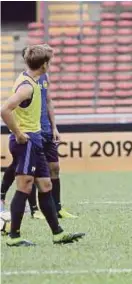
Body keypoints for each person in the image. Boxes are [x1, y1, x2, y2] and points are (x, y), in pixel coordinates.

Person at [0, 44, 85, 246]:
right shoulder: (27, 86)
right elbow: (4, 110)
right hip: (27, 141)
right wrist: (19, 134)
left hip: (36, 140)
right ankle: (14, 236)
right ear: (44, 65)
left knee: (45, 185)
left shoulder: (34, 80)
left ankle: (57, 233)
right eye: (50, 62)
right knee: (24, 186)